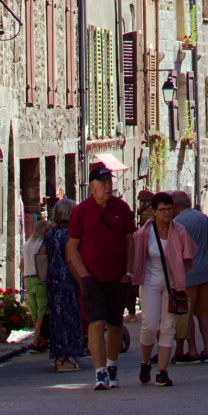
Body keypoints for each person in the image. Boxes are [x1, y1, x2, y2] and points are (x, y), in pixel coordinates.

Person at [66, 163, 136, 390]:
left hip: (117, 278)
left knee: (115, 324)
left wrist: (128, 272)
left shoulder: (121, 208)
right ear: (92, 187)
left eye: (110, 183)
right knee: (95, 323)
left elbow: (129, 241)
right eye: (103, 184)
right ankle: (99, 373)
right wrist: (84, 275)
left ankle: (112, 364)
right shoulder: (81, 211)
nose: (108, 188)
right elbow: (72, 247)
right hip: (92, 278)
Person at [130, 191, 196, 387]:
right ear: (154, 212)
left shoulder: (180, 231)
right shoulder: (144, 233)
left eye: (169, 209)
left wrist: (181, 276)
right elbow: (136, 255)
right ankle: (144, 362)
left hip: (174, 285)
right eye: (162, 210)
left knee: (168, 328)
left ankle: (162, 371)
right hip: (150, 281)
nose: (166, 213)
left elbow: (189, 254)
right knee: (150, 326)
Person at [171, 191, 208, 361]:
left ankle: (191, 350)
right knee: (203, 312)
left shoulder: (177, 222)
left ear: (175, 205)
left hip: (188, 273)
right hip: (204, 272)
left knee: (187, 313)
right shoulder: (201, 216)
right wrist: (206, 247)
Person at [43, 198, 86, 370]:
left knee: (56, 319)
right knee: (69, 318)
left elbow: (41, 254)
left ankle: (59, 357)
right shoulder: (69, 234)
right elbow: (70, 259)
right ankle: (64, 358)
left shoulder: (51, 233)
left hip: (52, 280)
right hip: (66, 281)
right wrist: (81, 280)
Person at [22, 216, 49, 353]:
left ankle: (42, 340)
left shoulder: (27, 244)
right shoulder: (43, 244)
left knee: (34, 314)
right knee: (41, 313)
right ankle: (36, 342)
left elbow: (22, 264)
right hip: (39, 280)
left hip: (28, 279)